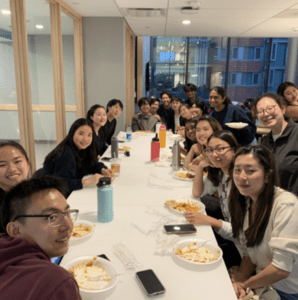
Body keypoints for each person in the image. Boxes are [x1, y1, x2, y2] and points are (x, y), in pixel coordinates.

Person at [221, 145, 298, 300]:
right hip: (262, 283)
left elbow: (280, 269)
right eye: (237, 170)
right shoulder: (247, 202)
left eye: (250, 170)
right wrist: (239, 280)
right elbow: (249, 254)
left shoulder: (285, 205)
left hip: (287, 291)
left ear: (268, 175)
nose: (242, 176)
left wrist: (246, 284)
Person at [0, 176, 81, 300]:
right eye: (52, 217)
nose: (69, 226)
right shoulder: (58, 283)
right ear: (15, 230)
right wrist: (59, 282)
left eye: (67, 213)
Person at [184, 130, 241, 269]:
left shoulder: (241, 180)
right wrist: (202, 166)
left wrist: (209, 221)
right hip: (231, 236)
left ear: (234, 150)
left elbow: (243, 233)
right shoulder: (221, 173)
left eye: (220, 149)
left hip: (242, 248)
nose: (214, 154)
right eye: (210, 150)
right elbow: (197, 193)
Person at [42, 118, 113, 195]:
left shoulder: (82, 148)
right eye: (81, 134)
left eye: (89, 135)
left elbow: (92, 163)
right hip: (51, 197)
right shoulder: (66, 153)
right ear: (72, 133)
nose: (85, 139)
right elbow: (61, 184)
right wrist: (88, 181)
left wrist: (102, 169)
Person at [256, 92, 298, 196]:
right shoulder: (265, 142)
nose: (265, 114)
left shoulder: (296, 133)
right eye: (260, 111)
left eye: (270, 108)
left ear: (283, 109)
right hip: (274, 204)